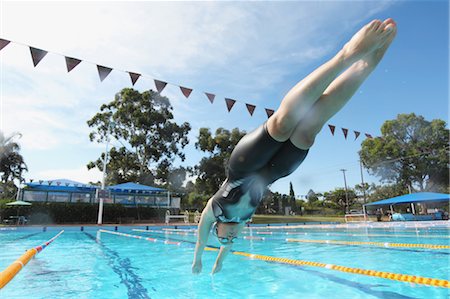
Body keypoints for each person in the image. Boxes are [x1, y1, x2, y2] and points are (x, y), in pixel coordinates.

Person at [192, 18, 397, 274]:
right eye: (231, 241)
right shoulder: (241, 224)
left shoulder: (213, 211)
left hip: (243, 167)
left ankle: (346, 55)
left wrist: (199, 260)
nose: (230, 239)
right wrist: (221, 261)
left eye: (224, 239)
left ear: (217, 229)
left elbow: (200, 240)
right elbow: (227, 248)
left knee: (282, 125)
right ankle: (368, 63)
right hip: (272, 173)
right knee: (307, 132)